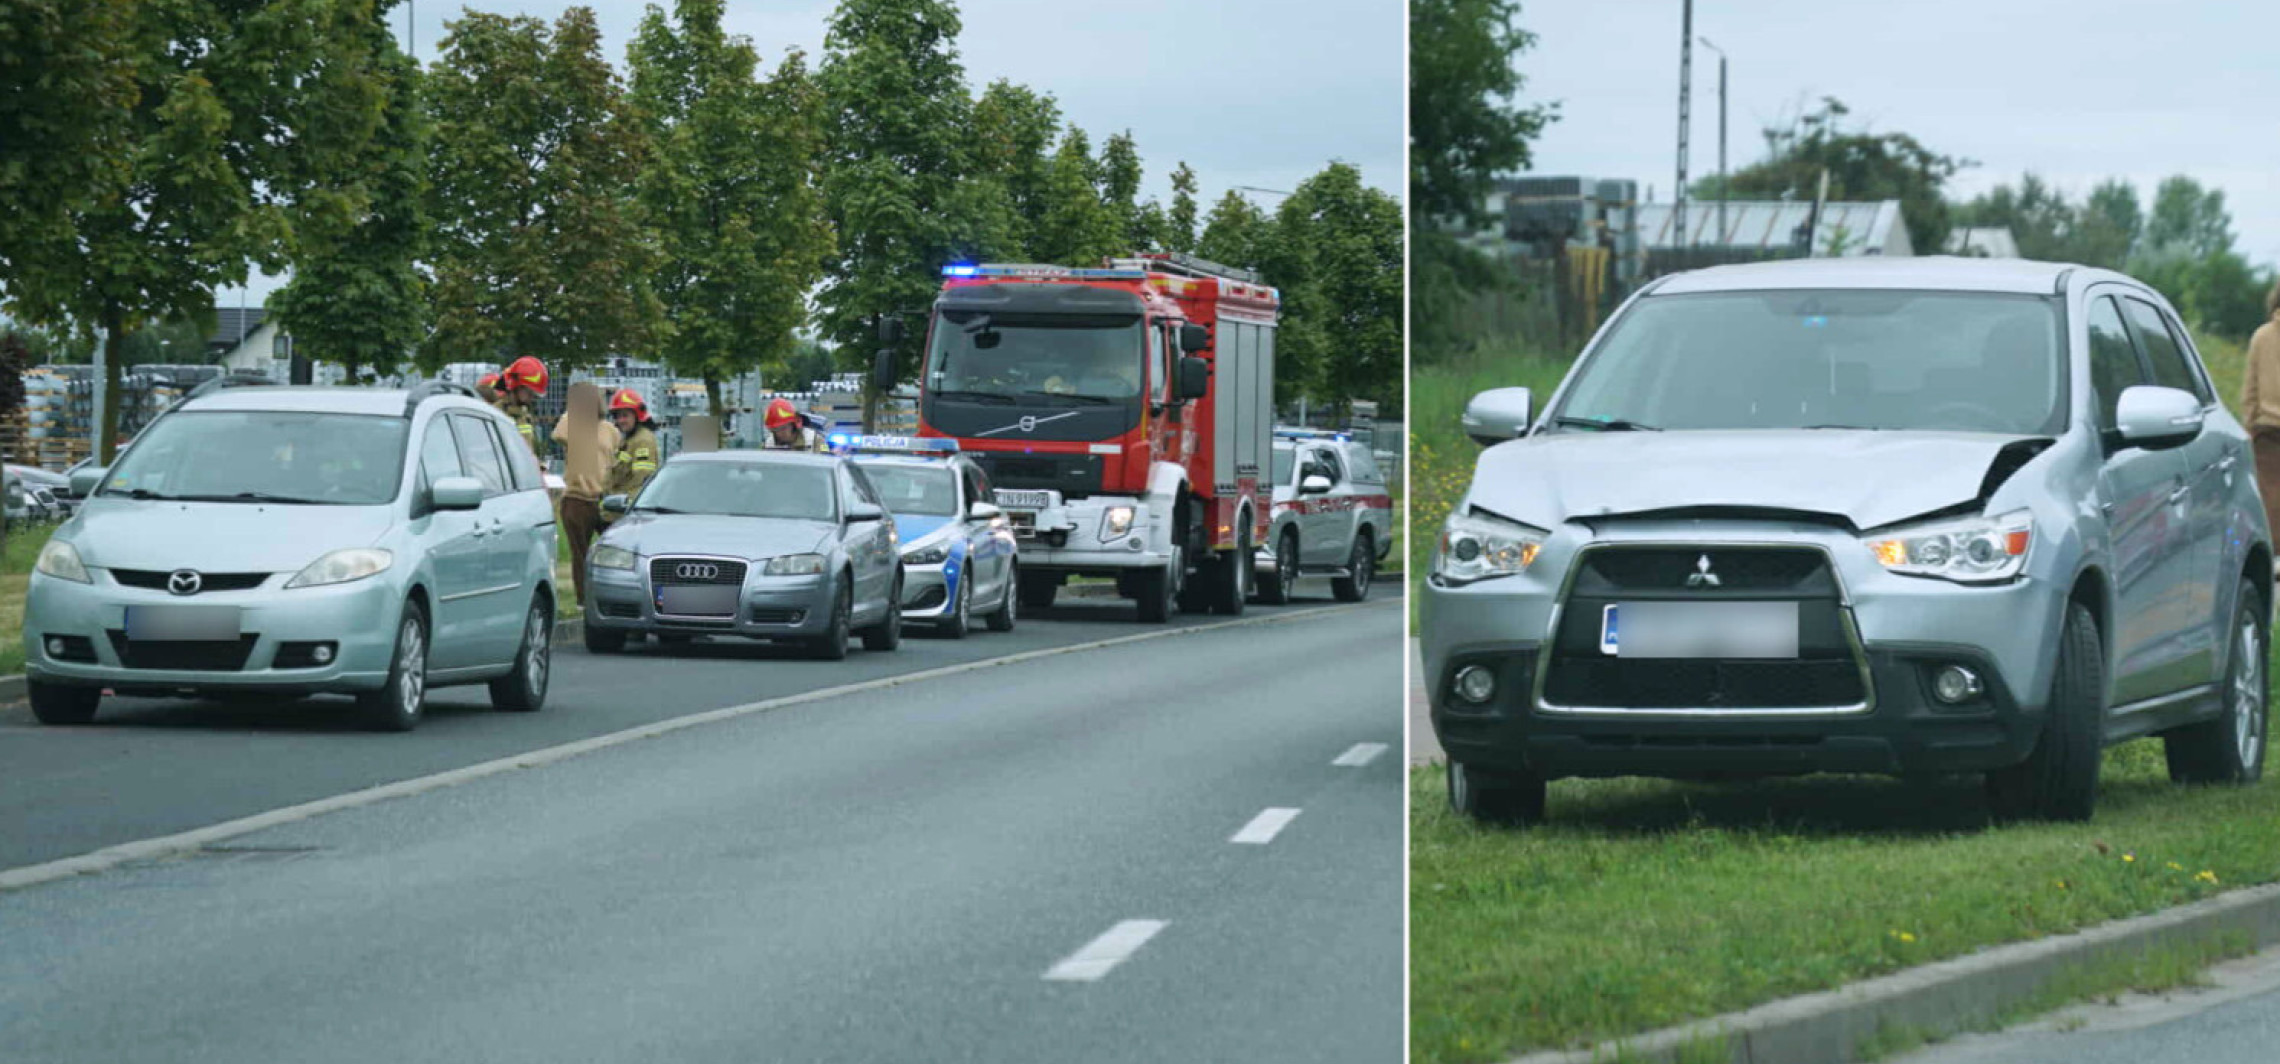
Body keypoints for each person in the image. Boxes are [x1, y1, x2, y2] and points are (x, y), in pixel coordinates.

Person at [550, 386, 621, 608]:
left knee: (614, 553)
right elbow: (557, 433)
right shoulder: (571, 425)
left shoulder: (609, 430)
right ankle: (583, 600)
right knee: (579, 554)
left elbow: (616, 454)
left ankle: (611, 596)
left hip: (603, 499)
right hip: (576, 497)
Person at [2244, 279, 2280, 579]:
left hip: (2267, 431)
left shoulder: (2261, 336)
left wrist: (2249, 428)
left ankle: (2271, 559)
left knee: (2269, 498)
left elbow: (2250, 392)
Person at [602, 388, 660, 517]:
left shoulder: (642, 441)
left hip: (628, 514)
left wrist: (627, 507)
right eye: (618, 416)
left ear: (637, 415)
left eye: (625, 415)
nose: (621, 420)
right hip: (617, 510)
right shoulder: (630, 439)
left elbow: (641, 481)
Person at [761, 397, 830, 452]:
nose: (779, 433)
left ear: (793, 424)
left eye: (783, 428)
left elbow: (826, 459)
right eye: (775, 430)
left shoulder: (815, 439)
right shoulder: (768, 444)